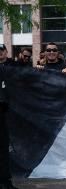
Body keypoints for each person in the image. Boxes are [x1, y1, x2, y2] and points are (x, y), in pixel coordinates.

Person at [0, 44, 19, 189]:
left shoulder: (14, 66)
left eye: (1, 51)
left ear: (6, 52)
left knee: (3, 149)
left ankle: (5, 181)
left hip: (4, 113)